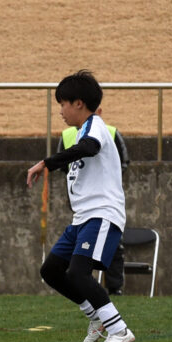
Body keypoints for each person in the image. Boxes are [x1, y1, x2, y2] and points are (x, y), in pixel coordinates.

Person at [27, 70, 135, 342]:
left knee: (78, 273)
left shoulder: (94, 126)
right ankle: (95, 316)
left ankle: (119, 330)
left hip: (102, 214)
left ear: (78, 103)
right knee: (51, 270)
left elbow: (90, 147)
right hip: (82, 219)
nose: (60, 111)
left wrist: (47, 163)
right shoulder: (80, 131)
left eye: (63, 103)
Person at [56, 106, 130, 295]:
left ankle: (114, 287)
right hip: (80, 204)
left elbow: (123, 162)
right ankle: (93, 300)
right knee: (59, 267)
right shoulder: (67, 135)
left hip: (102, 204)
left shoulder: (107, 131)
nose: (61, 111)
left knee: (112, 247)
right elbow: (64, 165)